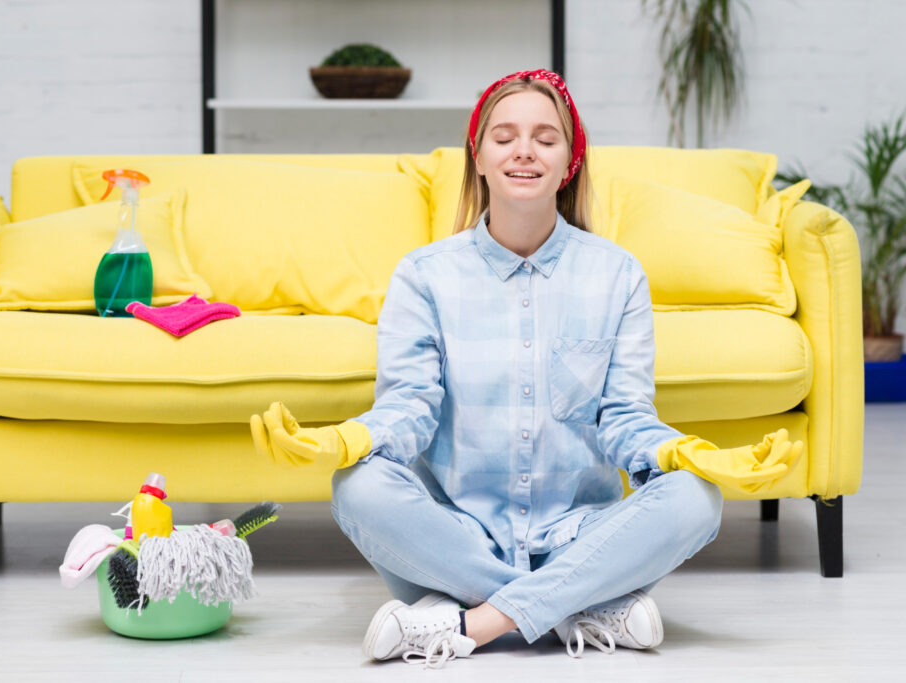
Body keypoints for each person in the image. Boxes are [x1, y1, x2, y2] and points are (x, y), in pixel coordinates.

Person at [250, 69, 802, 669]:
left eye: (546, 137)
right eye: (504, 136)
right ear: (478, 158)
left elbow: (625, 420)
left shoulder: (618, 275)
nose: (523, 151)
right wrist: (345, 440)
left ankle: (468, 620)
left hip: (576, 534)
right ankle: (583, 606)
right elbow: (409, 408)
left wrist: (689, 455)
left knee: (698, 499)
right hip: (458, 536)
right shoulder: (424, 275)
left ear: (569, 161)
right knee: (356, 484)